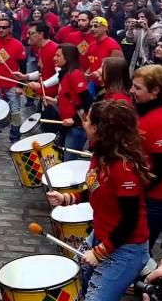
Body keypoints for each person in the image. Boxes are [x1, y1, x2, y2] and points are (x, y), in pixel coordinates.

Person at [46, 100, 150, 301]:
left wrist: (100, 252)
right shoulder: (99, 155)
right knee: (77, 282)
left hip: (125, 249)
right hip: (101, 236)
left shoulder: (123, 169)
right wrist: (68, 198)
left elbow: (130, 221)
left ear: (97, 128)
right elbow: (96, 190)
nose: (83, 123)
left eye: (87, 120)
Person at [129, 65, 162, 251]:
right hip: (145, 195)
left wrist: (136, 190)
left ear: (155, 91)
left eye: (137, 88)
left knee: (139, 251)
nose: (132, 91)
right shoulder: (143, 111)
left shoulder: (158, 122)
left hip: (156, 200)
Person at [44, 44, 92, 160]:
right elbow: (71, 98)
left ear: (68, 57)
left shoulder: (75, 74)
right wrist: (55, 101)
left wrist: (74, 119)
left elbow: (87, 100)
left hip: (76, 127)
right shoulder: (65, 74)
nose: (54, 58)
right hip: (67, 125)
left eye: (58, 55)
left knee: (69, 162)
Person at [87, 17, 123, 86]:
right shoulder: (91, 45)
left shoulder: (113, 45)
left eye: (96, 26)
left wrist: (99, 73)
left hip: (108, 85)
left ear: (105, 28)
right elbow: (92, 64)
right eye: (91, 26)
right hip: (93, 84)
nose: (92, 29)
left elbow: (118, 68)